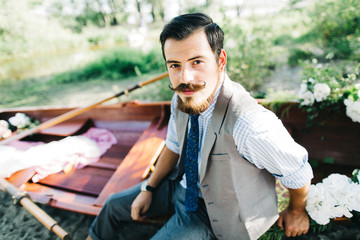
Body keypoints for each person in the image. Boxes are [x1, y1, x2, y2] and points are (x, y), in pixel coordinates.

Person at [88, 13, 313, 240]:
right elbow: (173, 146)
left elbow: (297, 171)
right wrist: (149, 189)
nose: (185, 77)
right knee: (112, 206)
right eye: (175, 65)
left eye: (197, 61)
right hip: (179, 188)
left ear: (220, 61)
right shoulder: (181, 98)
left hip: (214, 213)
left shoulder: (250, 123)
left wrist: (296, 210)